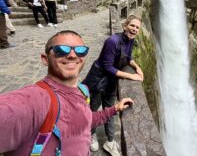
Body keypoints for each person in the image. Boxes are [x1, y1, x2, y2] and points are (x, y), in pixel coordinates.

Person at [0, 30, 133, 156]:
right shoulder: (35, 99)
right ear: (45, 59)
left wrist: (114, 109)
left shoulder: (83, 90)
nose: (72, 55)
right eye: (61, 50)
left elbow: (86, 120)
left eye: (80, 51)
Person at [82, 15, 144, 155]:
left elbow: (128, 57)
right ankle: (91, 135)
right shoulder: (112, 41)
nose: (134, 29)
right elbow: (108, 67)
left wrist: (137, 67)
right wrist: (131, 76)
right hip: (98, 80)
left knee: (111, 110)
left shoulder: (130, 40)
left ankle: (110, 141)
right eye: (132, 25)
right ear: (125, 26)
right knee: (93, 109)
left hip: (110, 82)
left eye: (137, 27)